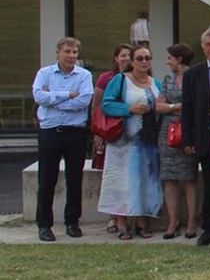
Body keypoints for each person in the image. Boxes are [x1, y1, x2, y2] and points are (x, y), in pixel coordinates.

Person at [99, 44, 163, 239]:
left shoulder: (156, 83)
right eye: (139, 58)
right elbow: (106, 105)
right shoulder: (120, 80)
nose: (144, 62)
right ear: (132, 61)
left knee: (146, 180)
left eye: (147, 58)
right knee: (122, 181)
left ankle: (142, 222)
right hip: (123, 142)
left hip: (148, 142)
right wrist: (129, 109)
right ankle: (121, 223)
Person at [32, 36, 93, 242]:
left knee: (74, 179)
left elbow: (84, 101)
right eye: (67, 51)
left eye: (75, 52)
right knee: (46, 179)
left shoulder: (84, 75)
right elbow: (39, 97)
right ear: (58, 53)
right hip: (50, 132)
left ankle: (72, 222)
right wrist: (68, 94)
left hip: (74, 132)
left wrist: (54, 99)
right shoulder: (45, 73)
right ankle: (44, 225)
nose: (71, 56)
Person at [157, 42, 198, 239]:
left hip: (188, 130)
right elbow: (159, 105)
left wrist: (171, 106)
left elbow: (195, 105)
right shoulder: (168, 79)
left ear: (179, 59)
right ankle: (172, 221)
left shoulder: (195, 76)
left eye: (170, 58)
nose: (168, 63)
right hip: (168, 133)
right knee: (169, 177)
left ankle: (192, 221)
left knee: (189, 177)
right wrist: (176, 106)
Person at [92, 44, 133, 176]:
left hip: (132, 128)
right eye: (123, 55)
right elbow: (96, 106)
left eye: (129, 55)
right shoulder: (106, 78)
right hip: (110, 128)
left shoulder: (138, 77)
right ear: (116, 58)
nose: (126, 58)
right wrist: (98, 133)